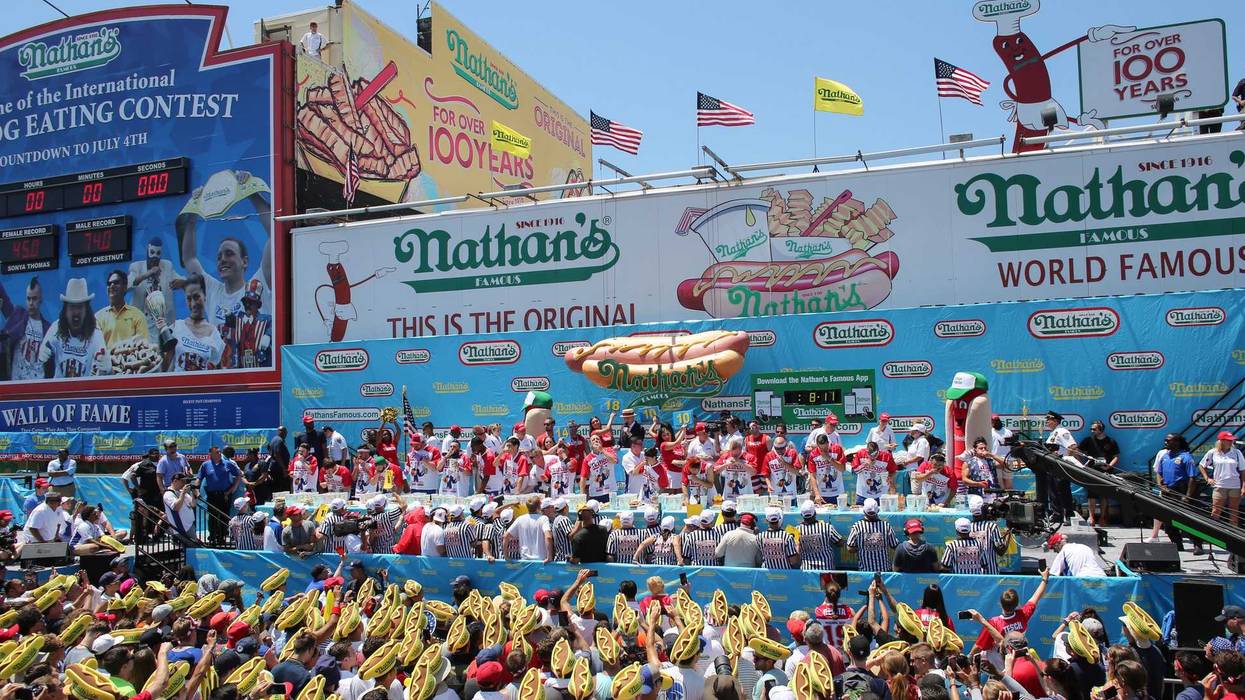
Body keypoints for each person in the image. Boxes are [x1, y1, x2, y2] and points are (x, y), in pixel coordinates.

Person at [969, 567, 1051, 669]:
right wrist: (1044, 579)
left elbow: (979, 647)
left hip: (1001, 667)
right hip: (1019, 661)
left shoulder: (993, 623)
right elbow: (1036, 597)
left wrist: (970, 656)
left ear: (1000, 604)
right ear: (1017, 604)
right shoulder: (1022, 614)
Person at [38, 277, 110, 378]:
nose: (76, 312)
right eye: (72, 307)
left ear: (86, 310)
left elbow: (105, 367)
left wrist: (107, 368)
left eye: (80, 307)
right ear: (65, 310)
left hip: (83, 387)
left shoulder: (95, 333)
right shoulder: (56, 327)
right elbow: (41, 358)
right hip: (59, 387)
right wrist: (42, 356)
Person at [1148, 434, 1202, 552]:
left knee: (1189, 521)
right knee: (1168, 521)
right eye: (1165, 440)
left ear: (1177, 442)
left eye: (1168, 441)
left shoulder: (1186, 457)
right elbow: (1159, 472)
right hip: (1168, 492)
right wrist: (1160, 485)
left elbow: (1192, 478)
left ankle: (1198, 545)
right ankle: (1177, 544)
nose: (1165, 442)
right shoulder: (1164, 456)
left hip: (1183, 491)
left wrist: (1188, 496)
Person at [163, 274, 224, 371]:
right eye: (189, 299)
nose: (193, 304)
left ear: (205, 296)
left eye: (196, 297)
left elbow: (217, 371)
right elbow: (164, 368)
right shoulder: (176, 327)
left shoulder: (214, 334)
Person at [0, 276, 51, 381]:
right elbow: (5, 299)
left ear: (41, 300)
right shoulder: (18, 316)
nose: (31, 303)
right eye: (28, 299)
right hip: (16, 383)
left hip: (38, 384)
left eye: (34, 299)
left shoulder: (48, 328)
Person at [220, 279, 273, 369]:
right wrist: (228, 315)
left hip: (261, 365)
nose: (247, 305)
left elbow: (274, 327)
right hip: (242, 366)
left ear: (257, 304)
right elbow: (231, 323)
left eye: (251, 302)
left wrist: (268, 335)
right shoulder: (240, 319)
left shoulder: (266, 319)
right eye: (245, 302)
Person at [94, 269, 148, 353]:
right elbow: (95, 349)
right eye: (109, 283)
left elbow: (144, 346)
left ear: (125, 287)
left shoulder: (137, 315)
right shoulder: (98, 317)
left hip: (132, 360)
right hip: (106, 360)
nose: (112, 285)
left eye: (116, 282)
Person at [1078, 420, 1120, 525]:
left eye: (1094, 429)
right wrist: (1083, 463)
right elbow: (1078, 451)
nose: (1092, 431)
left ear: (1101, 429)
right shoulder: (1088, 440)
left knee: (1104, 495)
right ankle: (1091, 517)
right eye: (1091, 429)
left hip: (1105, 472)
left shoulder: (1111, 441)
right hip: (1092, 471)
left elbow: (1116, 456)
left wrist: (1109, 466)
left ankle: (1103, 518)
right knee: (1091, 495)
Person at [1200, 431, 1245, 527]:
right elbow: (1202, 465)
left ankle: (1233, 533)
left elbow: (1243, 471)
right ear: (1221, 441)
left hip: (1235, 486)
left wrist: (1243, 487)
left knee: (1234, 511)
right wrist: (1207, 478)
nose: (1231, 442)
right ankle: (1213, 532)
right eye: (1228, 440)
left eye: (1231, 440)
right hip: (1219, 485)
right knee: (1216, 510)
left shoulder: (1237, 453)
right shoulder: (1213, 452)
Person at [198, 445, 241, 545]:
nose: (219, 453)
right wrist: (196, 489)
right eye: (217, 452)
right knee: (212, 516)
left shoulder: (228, 464)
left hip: (225, 495)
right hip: (212, 495)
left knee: (224, 517)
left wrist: (232, 489)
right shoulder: (205, 465)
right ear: (211, 454)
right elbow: (199, 478)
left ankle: (222, 537)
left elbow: (238, 475)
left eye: (219, 451)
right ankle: (212, 537)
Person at [1042, 411, 1080, 522]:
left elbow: (1072, 446)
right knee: (1053, 492)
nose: (1047, 422)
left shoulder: (1062, 431)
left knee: (1062, 491)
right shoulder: (1053, 433)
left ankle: (1068, 515)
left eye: (1049, 420)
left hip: (1060, 466)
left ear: (1055, 421)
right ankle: (1057, 514)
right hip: (1052, 467)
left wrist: (1066, 461)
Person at [847, 498, 898, 572]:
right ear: (878, 511)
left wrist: (863, 548)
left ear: (864, 511)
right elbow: (895, 546)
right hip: (884, 569)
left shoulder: (857, 526)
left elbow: (850, 549)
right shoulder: (886, 526)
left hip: (865, 571)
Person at [795, 500, 842, 571]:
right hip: (826, 568)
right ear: (815, 513)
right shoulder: (826, 527)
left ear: (801, 515)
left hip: (807, 569)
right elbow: (840, 543)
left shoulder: (797, 530)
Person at [503, 495, 552, 562]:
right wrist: (549, 557)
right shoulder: (543, 518)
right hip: (541, 561)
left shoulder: (520, 519)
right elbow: (548, 537)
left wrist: (506, 556)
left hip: (524, 561)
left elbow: (505, 536)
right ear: (539, 507)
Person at [162, 472, 197, 545]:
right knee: (193, 547)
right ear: (175, 481)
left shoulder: (181, 492)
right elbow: (176, 508)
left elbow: (193, 505)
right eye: (182, 481)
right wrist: (183, 493)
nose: (184, 483)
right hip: (181, 527)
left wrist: (194, 493)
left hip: (189, 525)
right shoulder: (168, 494)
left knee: (193, 547)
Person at [991, 415, 1015, 489]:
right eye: (993, 421)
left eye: (996, 421)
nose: (995, 422)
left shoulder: (1008, 432)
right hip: (996, 460)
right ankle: (1003, 496)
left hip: (1007, 460)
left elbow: (1013, 446)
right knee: (999, 482)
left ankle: (1009, 496)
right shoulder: (990, 432)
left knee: (1008, 483)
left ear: (999, 421)